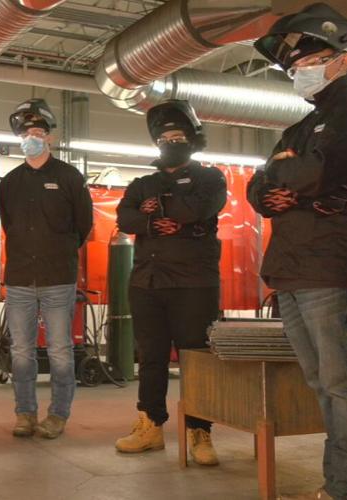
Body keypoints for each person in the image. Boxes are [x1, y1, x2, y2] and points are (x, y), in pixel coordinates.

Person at [249, 4, 347, 499]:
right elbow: (257, 190)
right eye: (292, 66)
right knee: (324, 386)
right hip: (293, 271)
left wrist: (288, 175)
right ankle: (338, 486)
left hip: (339, 267)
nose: (298, 71)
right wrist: (280, 180)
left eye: (309, 60)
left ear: (343, 58)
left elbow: (319, 173)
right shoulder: (297, 130)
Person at [114, 100, 226, 466]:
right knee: (151, 358)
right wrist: (150, 221)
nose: (171, 142)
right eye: (165, 138)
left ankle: (199, 430)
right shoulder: (142, 182)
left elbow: (196, 210)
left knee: (196, 359)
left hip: (195, 283)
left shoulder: (210, 178)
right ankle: (150, 426)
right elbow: (125, 217)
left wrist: (157, 206)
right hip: (147, 282)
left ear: (192, 140)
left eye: (178, 136)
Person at [0, 98, 93, 440]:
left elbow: (84, 226)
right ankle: (25, 414)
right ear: (19, 139)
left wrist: (59, 251)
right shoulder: (8, 183)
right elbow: (8, 224)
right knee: (21, 351)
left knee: (60, 350)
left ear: (50, 138)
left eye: (39, 132)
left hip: (58, 278)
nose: (33, 137)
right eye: (27, 133)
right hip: (20, 277)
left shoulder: (69, 177)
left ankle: (57, 414)